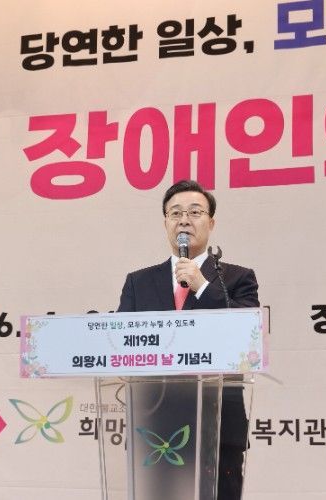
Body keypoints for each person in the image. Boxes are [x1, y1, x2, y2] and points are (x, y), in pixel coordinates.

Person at [117, 179, 259, 499]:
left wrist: (203, 287)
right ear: (165, 223)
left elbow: (245, 335)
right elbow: (123, 343)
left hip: (218, 423)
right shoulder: (139, 282)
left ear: (211, 223)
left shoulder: (238, 278)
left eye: (195, 212)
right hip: (153, 424)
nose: (184, 220)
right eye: (176, 213)